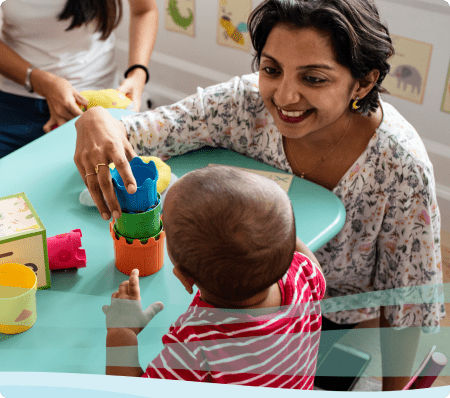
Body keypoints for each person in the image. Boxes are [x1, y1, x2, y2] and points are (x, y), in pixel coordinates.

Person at [75, 0, 445, 390]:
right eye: (271, 69)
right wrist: (97, 118)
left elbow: (408, 302)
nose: (284, 97)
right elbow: (140, 132)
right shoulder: (306, 271)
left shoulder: (401, 165)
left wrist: (120, 335)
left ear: (364, 82)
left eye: (314, 79)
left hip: (338, 322)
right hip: (292, 320)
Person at [103, 165, 326, 388]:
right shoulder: (304, 275)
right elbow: (301, 256)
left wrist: (121, 332)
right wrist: (272, 229)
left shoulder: (196, 348)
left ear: (184, 278)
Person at [0, 0, 158, 158]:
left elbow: (144, 10)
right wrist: (42, 82)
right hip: (17, 104)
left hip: (98, 100)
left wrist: (138, 73)